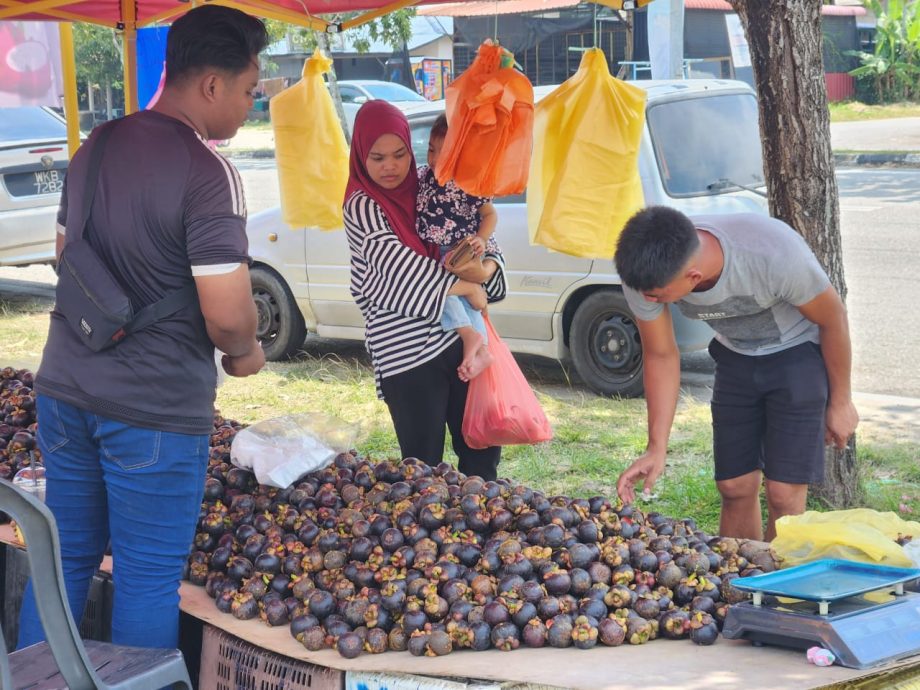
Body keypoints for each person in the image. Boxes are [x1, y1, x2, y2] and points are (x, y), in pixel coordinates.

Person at [17, 4, 268, 650]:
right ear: (211, 85)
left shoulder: (94, 146)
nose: (249, 104)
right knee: (146, 578)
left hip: (65, 391)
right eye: (247, 89)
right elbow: (228, 314)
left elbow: (63, 252)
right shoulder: (209, 173)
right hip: (152, 412)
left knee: (62, 559)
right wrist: (246, 352)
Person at [613, 206, 859, 541]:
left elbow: (833, 319)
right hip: (735, 355)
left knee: (784, 496)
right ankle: (740, 584)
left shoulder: (772, 254)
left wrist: (841, 401)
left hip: (797, 354)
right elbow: (660, 354)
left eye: (657, 296)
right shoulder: (644, 276)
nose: (648, 300)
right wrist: (656, 447)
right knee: (734, 486)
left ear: (694, 278)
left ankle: (778, 592)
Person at [343, 100, 506, 481]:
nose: (390, 166)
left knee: (481, 455)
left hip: (466, 343)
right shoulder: (362, 205)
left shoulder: (433, 182)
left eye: (399, 153)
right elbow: (396, 268)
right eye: (377, 157)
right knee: (423, 467)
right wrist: (466, 285)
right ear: (360, 157)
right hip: (408, 353)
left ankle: (482, 532)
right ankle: (430, 540)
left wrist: (487, 269)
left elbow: (481, 236)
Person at [417, 113, 501, 381]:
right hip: (437, 254)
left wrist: (482, 239)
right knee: (448, 295)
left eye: (444, 153)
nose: (434, 158)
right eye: (431, 150)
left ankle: (479, 345)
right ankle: (477, 343)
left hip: (461, 253)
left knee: (460, 298)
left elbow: (490, 215)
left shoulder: (468, 183)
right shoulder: (423, 177)